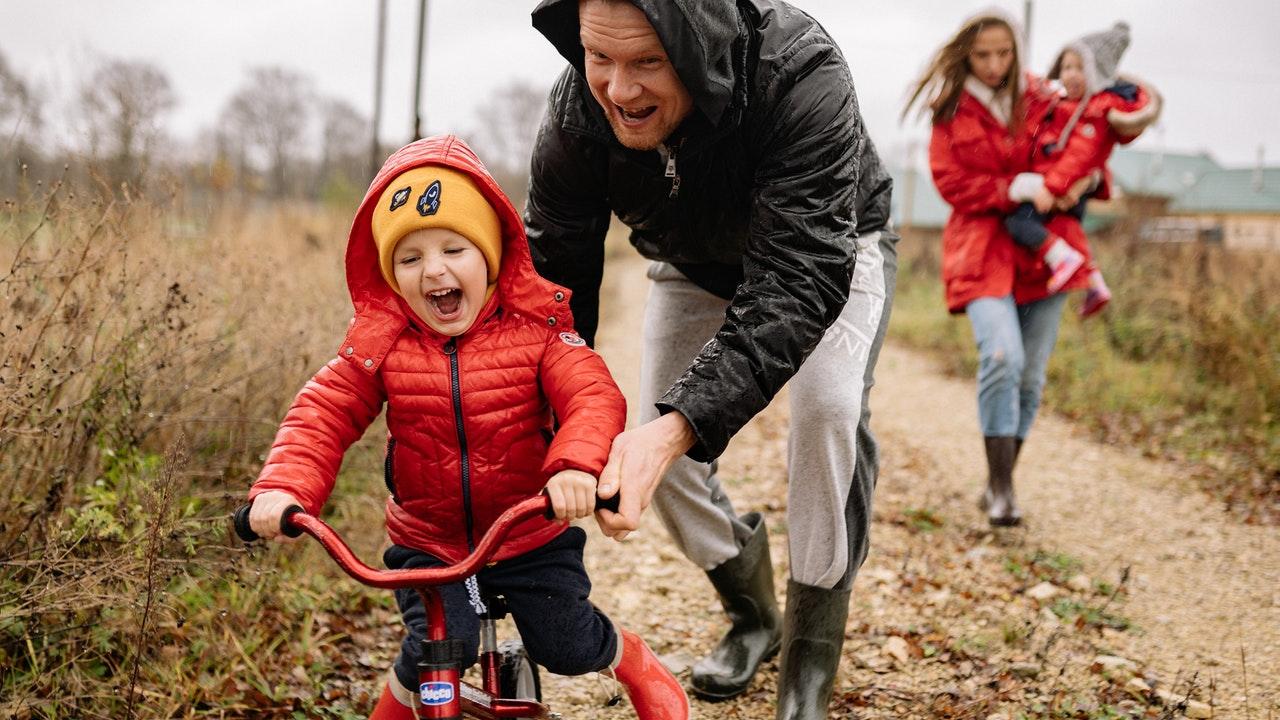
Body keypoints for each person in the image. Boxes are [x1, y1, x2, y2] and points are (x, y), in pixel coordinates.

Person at [526, 1, 896, 716]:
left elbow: (796, 282)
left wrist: (679, 427)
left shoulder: (802, 73)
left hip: (829, 249)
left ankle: (808, 667)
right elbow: (555, 290)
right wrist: (548, 428)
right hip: (691, 260)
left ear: (698, 47)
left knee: (827, 409)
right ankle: (753, 615)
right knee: (653, 449)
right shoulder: (576, 111)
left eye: (647, 61)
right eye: (600, 57)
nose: (618, 90)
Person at [244, 135, 688, 720]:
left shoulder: (538, 330)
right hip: (428, 539)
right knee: (435, 649)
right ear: (390, 275)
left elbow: (593, 395)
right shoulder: (381, 344)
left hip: (528, 530)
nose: (434, 270)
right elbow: (322, 414)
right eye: (409, 258)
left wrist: (575, 466)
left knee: (567, 644)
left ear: (491, 255)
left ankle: (633, 660)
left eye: (454, 248)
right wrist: (284, 488)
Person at [905, 11, 1150, 527]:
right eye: (982, 55)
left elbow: (1090, 130)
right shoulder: (950, 109)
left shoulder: (1042, 95)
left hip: (1046, 249)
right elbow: (951, 183)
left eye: (1004, 53)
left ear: (1016, 51)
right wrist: (1013, 187)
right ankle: (1001, 490)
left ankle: (1001, 481)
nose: (994, 64)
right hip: (981, 249)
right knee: (1002, 356)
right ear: (966, 54)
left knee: (1031, 375)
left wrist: (1091, 177)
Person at [1004, 21, 1160, 317]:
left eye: (1080, 68)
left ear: (1097, 74)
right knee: (1067, 229)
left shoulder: (1092, 112)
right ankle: (1094, 282)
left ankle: (1061, 259)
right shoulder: (1062, 105)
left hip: (1058, 186)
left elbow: (1079, 156)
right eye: (1066, 67)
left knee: (1019, 223)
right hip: (1061, 184)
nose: (1071, 75)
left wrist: (1052, 187)